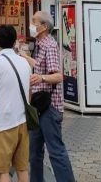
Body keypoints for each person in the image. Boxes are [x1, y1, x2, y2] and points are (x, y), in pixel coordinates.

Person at [21, 10, 75, 182]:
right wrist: (22, 55)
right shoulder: (40, 44)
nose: (31, 24)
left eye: (34, 21)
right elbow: (39, 65)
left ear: (43, 26)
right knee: (34, 151)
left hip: (50, 106)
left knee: (55, 150)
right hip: (38, 105)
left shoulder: (49, 45)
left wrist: (42, 77)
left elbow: (58, 76)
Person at [0, 25, 31, 182]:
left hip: (4, 122)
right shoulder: (24, 63)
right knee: (22, 168)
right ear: (15, 41)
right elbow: (29, 93)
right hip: (23, 121)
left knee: (2, 170)